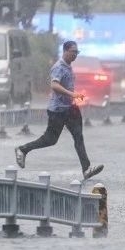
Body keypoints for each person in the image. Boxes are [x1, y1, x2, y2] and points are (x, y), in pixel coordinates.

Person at [15, 40, 104, 180]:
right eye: (73, 52)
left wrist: (74, 97)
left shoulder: (68, 66)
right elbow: (54, 85)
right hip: (57, 110)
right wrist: (72, 94)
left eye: (77, 52)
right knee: (50, 140)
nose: (75, 55)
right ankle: (23, 149)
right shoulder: (59, 67)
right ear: (65, 51)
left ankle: (86, 169)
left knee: (78, 137)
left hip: (70, 108)